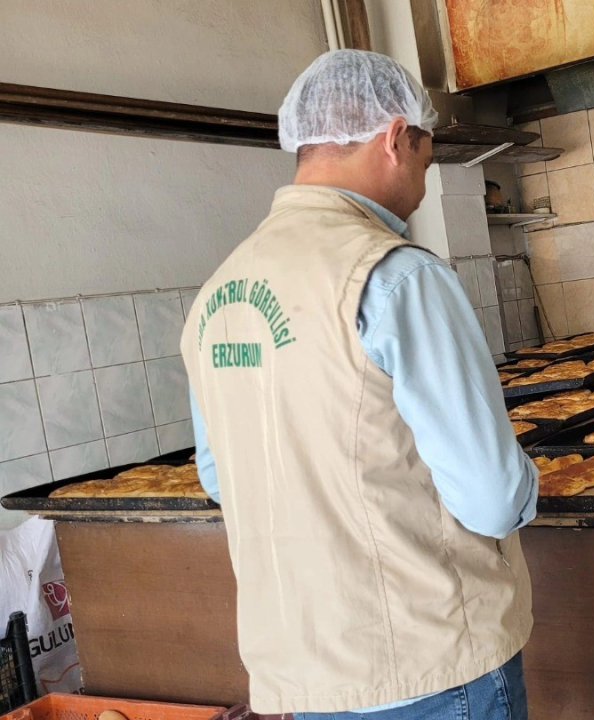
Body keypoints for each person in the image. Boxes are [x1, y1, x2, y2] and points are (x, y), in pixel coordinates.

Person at [179, 50, 538, 720]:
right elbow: (490, 497)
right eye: (427, 165)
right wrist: (528, 488)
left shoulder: (218, 295)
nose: (423, 190)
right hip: (431, 667)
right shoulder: (396, 277)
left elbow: (221, 477)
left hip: (307, 675)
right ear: (395, 139)